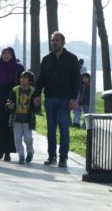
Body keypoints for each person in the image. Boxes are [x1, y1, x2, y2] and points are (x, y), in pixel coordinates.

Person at [34, 31, 80, 168]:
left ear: (63, 42)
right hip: (50, 99)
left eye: (57, 40)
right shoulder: (46, 59)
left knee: (64, 128)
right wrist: (37, 95)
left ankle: (63, 158)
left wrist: (73, 99)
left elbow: (76, 81)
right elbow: (41, 79)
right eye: (53, 40)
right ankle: (51, 156)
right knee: (51, 129)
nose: (54, 42)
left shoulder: (72, 59)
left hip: (65, 99)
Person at [0, 47, 24, 162]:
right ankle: (0, 149)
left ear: (12, 55)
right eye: (4, 53)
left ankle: (8, 151)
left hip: (12, 102)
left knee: (9, 127)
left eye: (8, 53)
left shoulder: (19, 69)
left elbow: (23, 85)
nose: (6, 55)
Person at [6, 71, 36, 164]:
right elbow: (9, 102)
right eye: (21, 77)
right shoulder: (15, 90)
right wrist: (8, 106)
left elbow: (36, 106)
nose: (22, 79)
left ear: (30, 81)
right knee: (17, 139)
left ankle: (30, 151)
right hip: (16, 119)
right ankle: (21, 155)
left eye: (25, 78)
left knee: (28, 138)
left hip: (28, 120)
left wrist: (36, 105)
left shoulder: (33, 91)